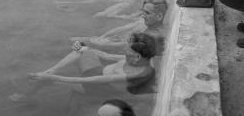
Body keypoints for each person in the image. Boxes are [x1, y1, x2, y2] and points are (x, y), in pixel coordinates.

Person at [11, 32, 156, 104]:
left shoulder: (135, 73)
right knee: (84, 50)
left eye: (128, 49)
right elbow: (106, 56)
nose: (125, 50)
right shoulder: (139, 57)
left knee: (50, 81)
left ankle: (27, 95)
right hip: (98, 73)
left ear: (137, 56)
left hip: (98, 87)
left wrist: (53, 78)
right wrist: (82, 46)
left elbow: (96, 79)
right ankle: (51, 70)